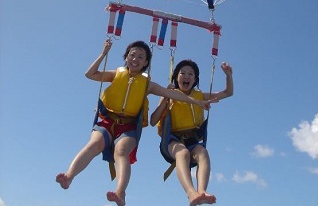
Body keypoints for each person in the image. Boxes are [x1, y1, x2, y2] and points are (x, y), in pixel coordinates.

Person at [56, 40, 212, 206]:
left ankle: (120, 192)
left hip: (128, 127)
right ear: (126, 57)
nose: (135, 59)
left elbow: (172, 94)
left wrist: (197, 102)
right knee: (94, 144)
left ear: (146, 62)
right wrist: (103, 53)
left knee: (121, 151)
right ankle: (69, 176)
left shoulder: (147, 85)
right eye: (132, 55)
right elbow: (90, 74)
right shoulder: (116, 74)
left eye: (140, 57)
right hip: (107, 121)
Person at [150, 59, 233, 206]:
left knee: (203, 152)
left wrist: (228, 75)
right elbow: (152, 120)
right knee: (182, 153)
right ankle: (191, 193)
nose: (186, 76)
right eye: (182, 73)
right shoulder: (169, 94)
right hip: (172, 140)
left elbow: (228, 93)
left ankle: (201, 191)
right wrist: (165, 98)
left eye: (190, 74)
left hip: (193, 140)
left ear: (195, 79)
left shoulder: (199, 96)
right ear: (176, 77)